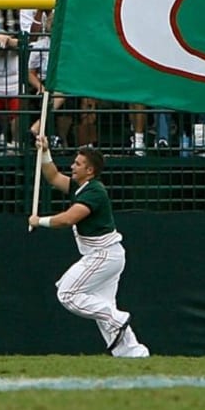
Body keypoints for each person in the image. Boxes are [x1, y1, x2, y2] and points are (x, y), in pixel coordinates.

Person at [28, 137, 149, 358]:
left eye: (78, 164)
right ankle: (134, 353)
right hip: (104, 255)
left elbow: (68, 219)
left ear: (90, 170)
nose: (72, 166)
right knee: (103, 306)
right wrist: (44, 151)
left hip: (103, 255)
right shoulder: (81, 187)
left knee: (67, 294)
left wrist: (40, 221)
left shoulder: (95, 192)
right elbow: (53, 177)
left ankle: (118, 318)